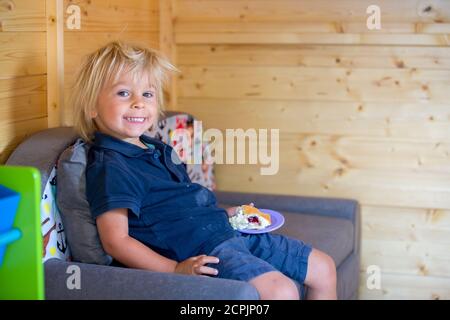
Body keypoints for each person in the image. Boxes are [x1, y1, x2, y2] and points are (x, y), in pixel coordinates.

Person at [72, 41, 337, 300]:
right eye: (123, 93)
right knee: (281, 291)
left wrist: (223, 214)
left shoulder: (156, 148)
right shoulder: (111, 166)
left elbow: (181, 206)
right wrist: (174, 269)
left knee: (324, 268)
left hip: (223, 230)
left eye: (147, 94)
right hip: (202, 249)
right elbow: (116, 241)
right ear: (92, 106)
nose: (139, 103)